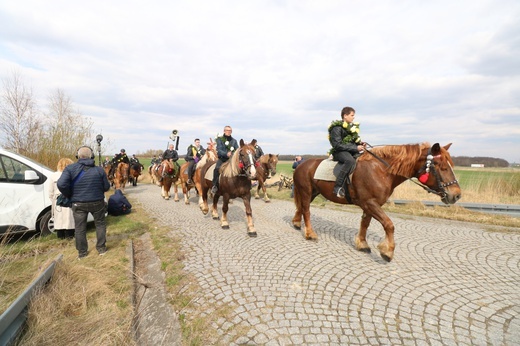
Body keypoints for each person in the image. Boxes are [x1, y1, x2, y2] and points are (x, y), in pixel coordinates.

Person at [58, 146, 110, 259]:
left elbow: (61, 184)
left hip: (78, 203)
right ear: (91, 156)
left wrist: (69, 194)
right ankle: (101, 249)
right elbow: (106, 187)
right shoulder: (99, 170)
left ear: (78, 156)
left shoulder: (70, 169)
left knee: (80, 228)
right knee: (100, 224)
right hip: (97, 202)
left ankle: (82, 253)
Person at [328, 106, 366, 198]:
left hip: (349, 151)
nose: (354, 117)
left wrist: (360, 143)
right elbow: (337, 145)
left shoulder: (351, 128)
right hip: (339, 152)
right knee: (350, 161)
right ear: (345, 115)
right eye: (352, 115)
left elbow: (352, 142)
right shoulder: (336, 128)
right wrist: (356, 148)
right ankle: (338, 187)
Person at [49, 157, 75, 239]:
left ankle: (60, 237)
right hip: (69, 198)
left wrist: (53, 199)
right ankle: (70, 236)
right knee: (69, 219)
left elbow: (50, 191)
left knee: (59, 219)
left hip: (57, 200)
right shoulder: (71, 175)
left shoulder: (53, 176)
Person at [212, 125, 239, 194]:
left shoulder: (234, 141)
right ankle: (214, 185)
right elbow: (219, 150)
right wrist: (226, 154)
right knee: (217, 169)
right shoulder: (220, 140)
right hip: (222, 159)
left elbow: (237, 150)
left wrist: (233, 154)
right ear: (224, 131)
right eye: (227, 130)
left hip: (231, 160)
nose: (229, 132)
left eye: (230, 131)